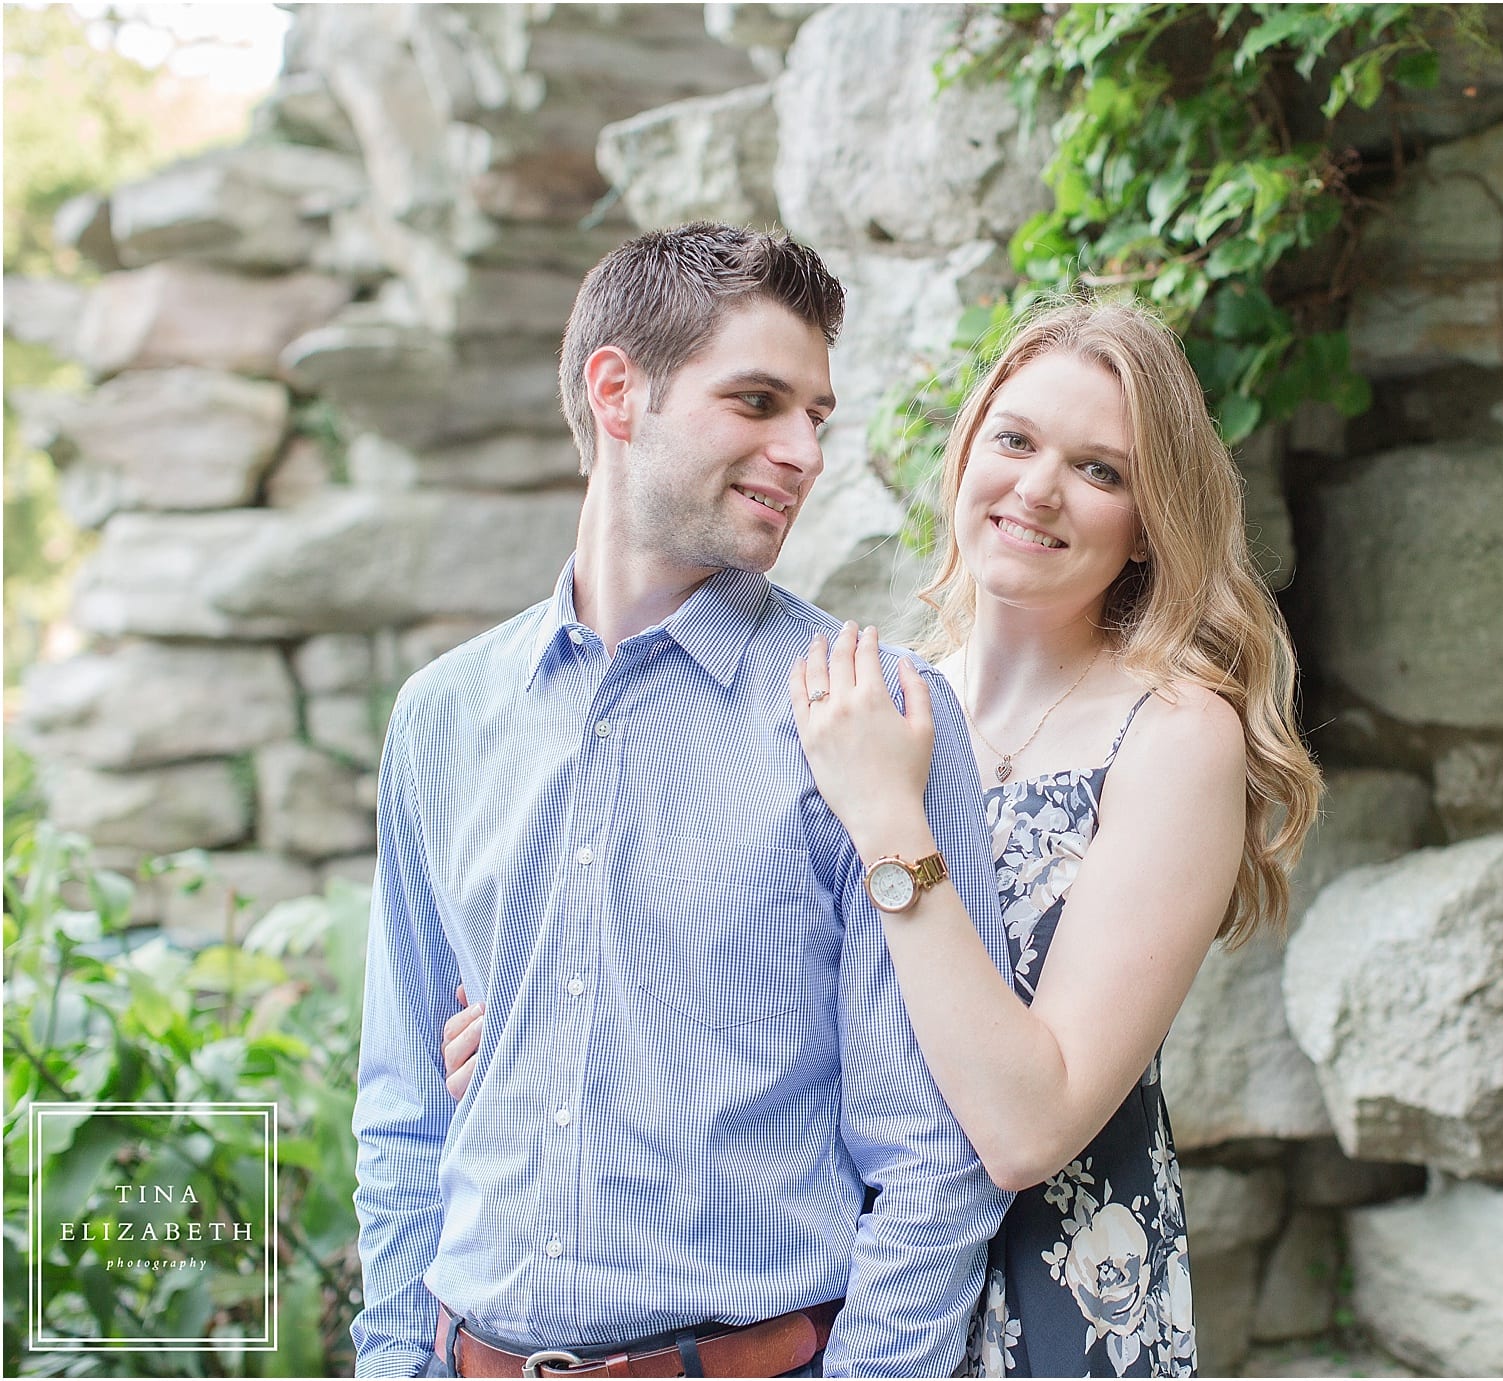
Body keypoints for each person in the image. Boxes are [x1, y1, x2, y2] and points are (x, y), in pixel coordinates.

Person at [446, 299, 1323, 1377]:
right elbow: (774, 1004)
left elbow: (1027, 1126)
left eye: (1101, 470)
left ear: (1150, 520)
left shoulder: (1174, 732)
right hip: (854, 1286)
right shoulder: (889, 697)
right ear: (966, 458)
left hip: (1052, 1285)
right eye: (1016, 440)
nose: (1040, 487)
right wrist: (565, 1034)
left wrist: (892, 819)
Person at [351, 221, 1014, 1380]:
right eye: (758, 401)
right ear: (619, 391)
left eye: (816, 416)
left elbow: (933, 1149)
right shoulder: (442, 718)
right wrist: (394, 1362)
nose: (803, 450)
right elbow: (405, 1109)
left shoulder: (877, 715)